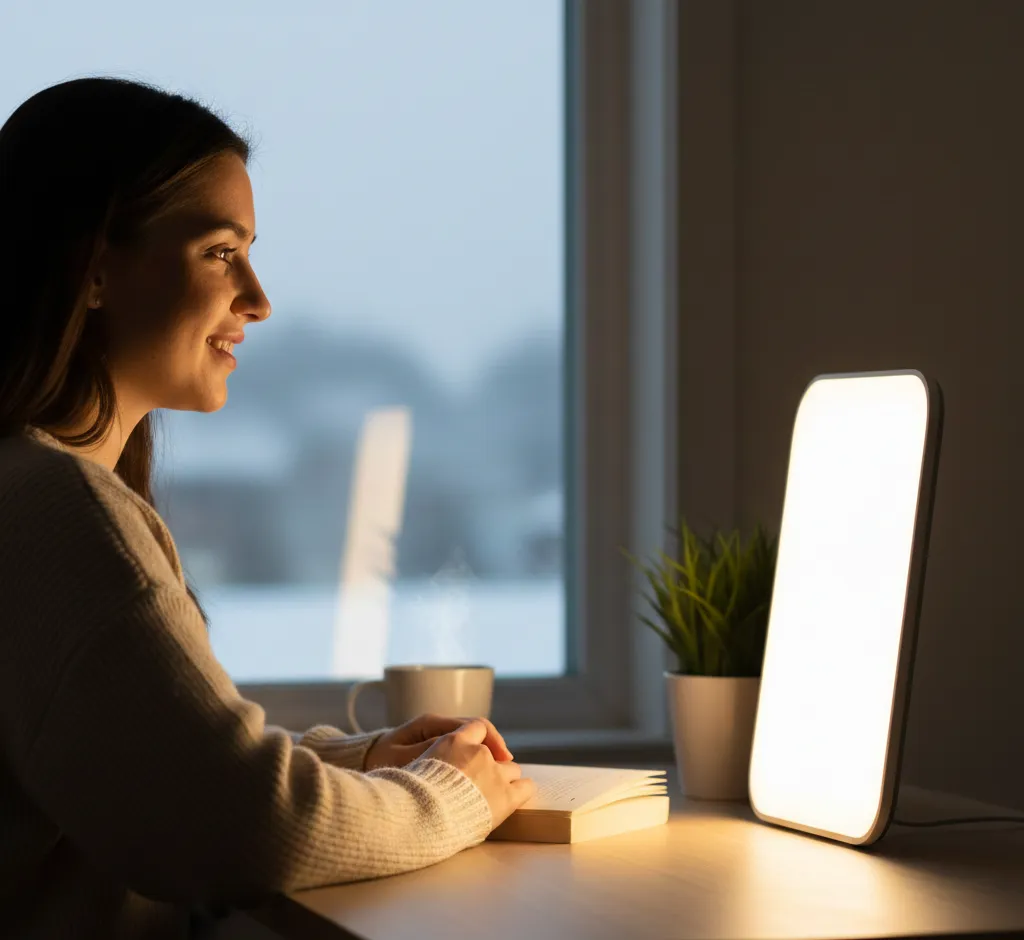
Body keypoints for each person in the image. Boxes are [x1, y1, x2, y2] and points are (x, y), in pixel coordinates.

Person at [0, 76, 536, 939]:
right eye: (221, 252)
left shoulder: (38, 492)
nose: (257, 297)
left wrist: (357, 760)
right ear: (94, 268)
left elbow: (145, 774)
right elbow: (245, 829)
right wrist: (447, 796)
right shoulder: (55, 512)